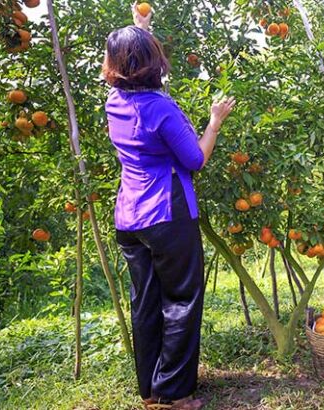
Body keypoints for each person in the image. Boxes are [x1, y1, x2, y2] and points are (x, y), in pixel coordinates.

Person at [102, 4, 235, 409]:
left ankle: (151, 389)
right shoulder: (159, 109)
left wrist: (137, 29)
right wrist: (214, 122)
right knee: (180, 300)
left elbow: (128, 70)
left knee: (145, 300)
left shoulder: (114, 101)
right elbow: (194, 160)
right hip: (167, 213)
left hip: (130, 216)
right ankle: (176, 396)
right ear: (153, 64)